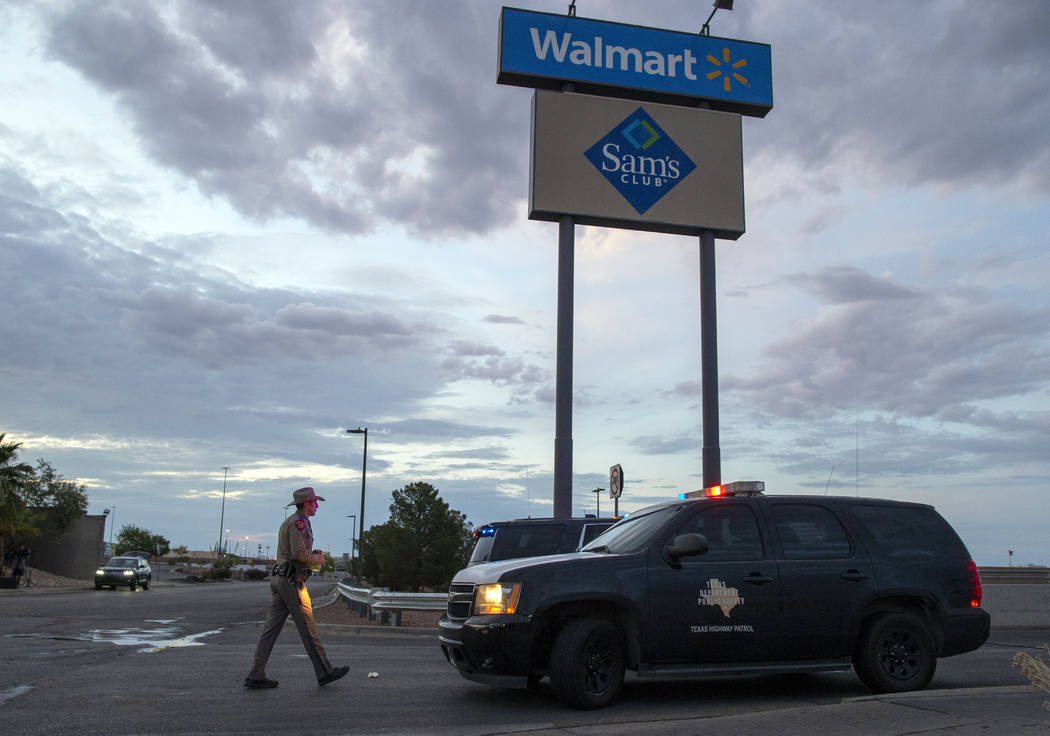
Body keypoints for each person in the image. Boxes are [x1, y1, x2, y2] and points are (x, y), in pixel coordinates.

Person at [244, 487, 349, 689]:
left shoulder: (292, 522)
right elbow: (298, 554)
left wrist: (312, 553)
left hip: (282, 580)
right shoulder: (298, 523)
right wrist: (315, 558)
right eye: (315, 502)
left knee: (270, 631)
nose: (317, 505)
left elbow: (297, 552)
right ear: (307, 504)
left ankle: (256, 674)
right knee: (308, 628)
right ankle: (325, 672)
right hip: (291, 583)